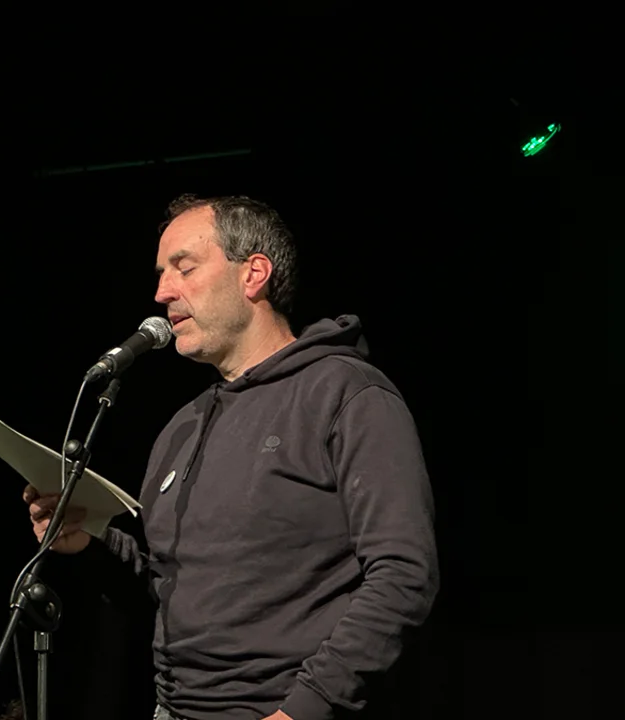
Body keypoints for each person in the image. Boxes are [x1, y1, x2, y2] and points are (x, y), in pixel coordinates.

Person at [23, 194, 439, 720]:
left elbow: (403, 575)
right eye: (161, 274)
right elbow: (171, 589)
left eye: (184, 268)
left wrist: (305, 709)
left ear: (253, 274)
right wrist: (89, 543)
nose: (162, 292)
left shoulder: (345, 394)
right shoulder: (182, 426)